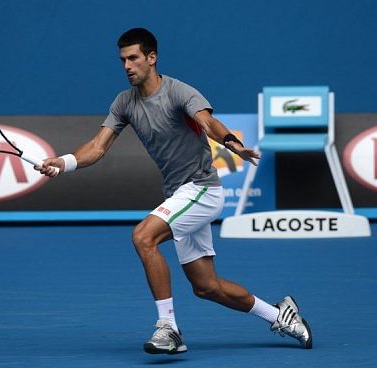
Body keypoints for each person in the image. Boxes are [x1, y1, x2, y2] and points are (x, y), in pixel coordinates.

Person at [37, 27, 312, 354]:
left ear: (151, 58)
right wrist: (63, 162)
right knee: (206, 287)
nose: (127, 66)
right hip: (179, 196)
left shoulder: (179, 92)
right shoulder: (124, 102)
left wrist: (232, 144)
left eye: (134, 58)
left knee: (143, 237)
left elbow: (208, 123)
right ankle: (280, 314)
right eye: (123, 60)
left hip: (201, 189)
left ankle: (168, 328)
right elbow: (97, 147)